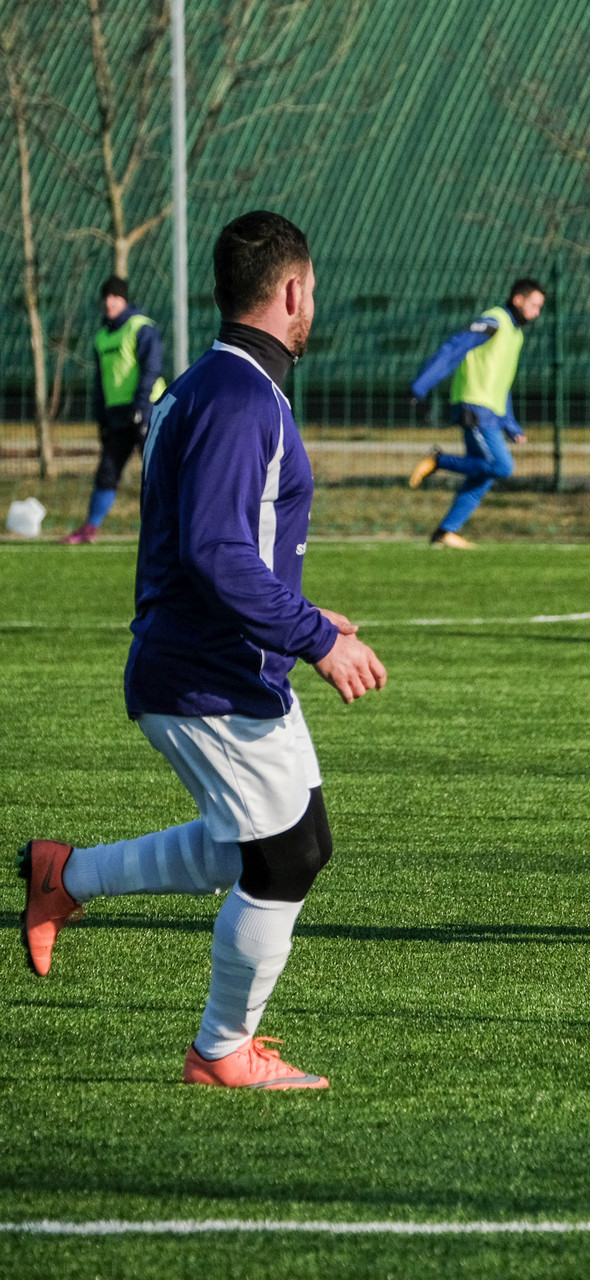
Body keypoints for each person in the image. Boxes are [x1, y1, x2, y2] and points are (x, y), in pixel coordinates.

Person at [18, 211, 388, 1090]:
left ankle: (66, 875)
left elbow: (223, 543)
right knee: (283, 856)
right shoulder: (238, 398)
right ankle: (220, 1050)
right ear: (292, 290)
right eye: (312, 289)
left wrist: (301, 613)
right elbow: (216, 551)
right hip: (206, 674)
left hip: (225, 661)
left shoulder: (214, 386)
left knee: (282, 841)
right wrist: (312, 639)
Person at [405, 279, 545, 549]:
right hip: (475, 407)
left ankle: (444, 532)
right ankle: (438, 460)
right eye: (534, 305)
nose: (537, 312)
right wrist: (420, 385)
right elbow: (455, 348)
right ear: (518, 300)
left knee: (482, 474)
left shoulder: (515, 335)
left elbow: (501, 382)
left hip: (491, 411)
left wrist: (511, 425)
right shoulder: (493, 322)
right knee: (502, 466)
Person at [61, 277, 166, 544]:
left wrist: (141, 407)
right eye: (106, 297)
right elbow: (100, 382)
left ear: (124, 300)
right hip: (118, 415)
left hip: (148, 410)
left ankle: (172, 527)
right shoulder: (101, 338)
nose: (109, 302)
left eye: (115, 297)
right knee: (107, 472)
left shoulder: (141, 328)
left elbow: (151, 369)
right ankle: (89, 529)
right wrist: (101, 418)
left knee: (159, 471)